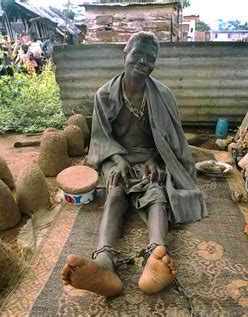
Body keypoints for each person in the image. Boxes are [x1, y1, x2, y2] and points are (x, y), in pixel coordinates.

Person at [60, 31, 207, 297]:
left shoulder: (164, 95)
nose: (143, 61)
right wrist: (117, 159)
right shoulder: (104, 94)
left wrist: (158, 160)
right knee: (116, 190)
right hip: (118, 155)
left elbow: (172, 140)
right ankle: (104, 262)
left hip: (152, 155)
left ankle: (156, 254)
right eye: (137, 54)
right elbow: (101, 137)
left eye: (150, 58)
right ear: (124, 54)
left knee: (157, 191)